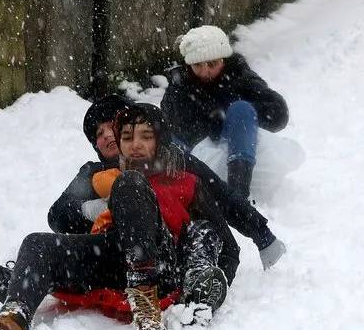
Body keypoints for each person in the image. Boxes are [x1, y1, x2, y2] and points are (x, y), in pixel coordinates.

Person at [0, 103, 239, 330]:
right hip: (113, 255)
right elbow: (59, 214)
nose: (135, 144)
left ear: (160, 141)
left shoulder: (185, 182)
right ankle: (11, 320)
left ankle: (144, 305)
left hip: (162, 265)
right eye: (127, 136)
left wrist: (204, 288)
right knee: (38, 243)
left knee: (131, 183)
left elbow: (228, 246)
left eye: (146, 136)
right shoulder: (105, 176)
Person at [42, 94, 286, 271]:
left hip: (173, 250)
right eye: (98, 133)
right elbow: (58, 215)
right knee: (42, 247)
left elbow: (221, 196)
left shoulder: (172, 160)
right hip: (113, 254)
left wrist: (261, 234)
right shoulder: (93, 174)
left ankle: (199, 279)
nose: (106, 135)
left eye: (112, 126)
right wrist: (90, 209)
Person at [160, 25, 289, 200]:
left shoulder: (237, 74)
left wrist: (233, 115)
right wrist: (211, 121)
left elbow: (278, 113)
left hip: (241, 151)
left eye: (212, 64)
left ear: (223, 60)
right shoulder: (180, 84)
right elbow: (176, 126)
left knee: (242, 109)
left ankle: (238, 195)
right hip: (198, 159)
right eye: (197, 65)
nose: (205, 71)